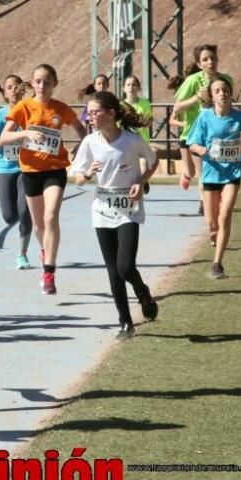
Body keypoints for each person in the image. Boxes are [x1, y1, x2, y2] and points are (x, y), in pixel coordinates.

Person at [73, 92, 160, 340]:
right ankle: (125, 322)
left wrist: (141, 182)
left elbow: (153, 160)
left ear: (111, 113)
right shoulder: (90, 143)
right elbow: (78, 177)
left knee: (125, 267)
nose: (89, 116)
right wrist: (88, 173)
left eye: (94, 112)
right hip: (102, 210)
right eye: (87, 112)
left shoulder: (131, 141)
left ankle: (142, 291)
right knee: (113, 271)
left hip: (128, 210)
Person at [0, 64, 86, 295]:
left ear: (55, 84)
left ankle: (49, 272)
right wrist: (25, 133)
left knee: (51, 216)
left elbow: (81, 130)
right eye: (38, 81)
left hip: (55, 170)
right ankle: (44, 250)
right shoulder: (23, 107)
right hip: (30, 171)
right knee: (38, 225)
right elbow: (4, 135)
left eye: (47, 82)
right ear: (32, 82)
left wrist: (80, 147)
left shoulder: (60, 109)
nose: (42, 86)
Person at [186, 77, 241, 279]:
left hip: (232, 173)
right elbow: (191, 143)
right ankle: (215, 236)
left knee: (225, 214)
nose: (222, 93)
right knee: (212, 224)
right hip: (211, 173)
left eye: (225, 90)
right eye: (218, 91)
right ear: (212, 96)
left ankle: (217, 264)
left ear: (230, 93)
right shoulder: (204, 117)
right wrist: (202, 149)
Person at [172, 45, 233, 212]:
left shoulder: (226, 80)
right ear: (199, 64)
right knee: (201, 171)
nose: (210, 62)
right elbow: (177, 108)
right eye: (205, 59)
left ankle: (215, 200)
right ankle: (204, 203)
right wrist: (196, 98)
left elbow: (229, 105)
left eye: (213, 58)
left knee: (219, 170)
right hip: (195, 134)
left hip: (220, 135)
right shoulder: (192, 81)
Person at [0, 75, 33, 270]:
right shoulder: (0, 115)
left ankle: (22, 254)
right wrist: (10, 140)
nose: (13, 90)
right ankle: (19, 223)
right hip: (5, 166)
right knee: (9, 216)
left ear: (22, 89)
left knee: (24, 210)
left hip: (26, 167)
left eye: (16, 86)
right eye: (9, 87)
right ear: (4, 92)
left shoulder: (30, 111)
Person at [122, 75, 155, 193]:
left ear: (138, 88)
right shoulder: (121, 106)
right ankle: (131, 188)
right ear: (124, 88)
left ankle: (142, 182)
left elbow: (149, 121)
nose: (131, 87)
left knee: (143, 168)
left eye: (134, 84)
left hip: (142, 142)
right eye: (128, 85)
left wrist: (139, 124)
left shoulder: (145, 103)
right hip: (126, 144)